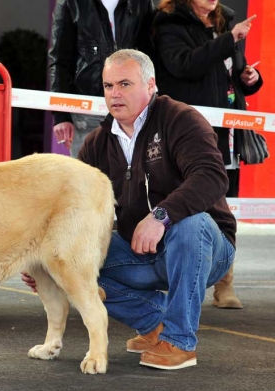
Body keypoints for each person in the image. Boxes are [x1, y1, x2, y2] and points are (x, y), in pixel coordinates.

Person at [23, 49, 236, 370]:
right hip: (140, 252)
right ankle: (155, 324)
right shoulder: (96, 144)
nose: (115, 94)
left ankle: (180, 343)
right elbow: (72, 209)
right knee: (63, 262)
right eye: (108, 86)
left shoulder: (181, 119)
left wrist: (161, 217)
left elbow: (212, 178)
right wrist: (43, 257)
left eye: (125, 84)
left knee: (190, 223)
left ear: (150, 85)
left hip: (207, 249)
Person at [152, 0, 263, 309]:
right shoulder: (168, 23)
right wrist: (229, 41)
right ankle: (175, 278)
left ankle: (225, 282)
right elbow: (183, 66)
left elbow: (231, 73)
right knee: (188, 203)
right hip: (191, 132)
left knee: (227, 208)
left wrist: (249, 78)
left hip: (229, 131)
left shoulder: (223, 23)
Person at [48, 0, 155, 158]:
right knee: (86, 178)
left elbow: (150, 57)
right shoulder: (70, 3)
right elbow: (59, 60)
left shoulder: (142, 3)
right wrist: (60, 115)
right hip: (86, 113)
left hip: (132, 110)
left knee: (129, 178)